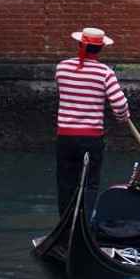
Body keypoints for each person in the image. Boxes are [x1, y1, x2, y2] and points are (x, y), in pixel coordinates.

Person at [55, 27, 130, 216]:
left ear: (80, 44)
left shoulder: (61, 68)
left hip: (65, 137)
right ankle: (85, 224)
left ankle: (65, 222)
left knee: (66, 182)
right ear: (100, 49)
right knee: (89, 183)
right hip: (91, 138)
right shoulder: (104, 73)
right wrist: (123, 118)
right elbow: (119, 104)